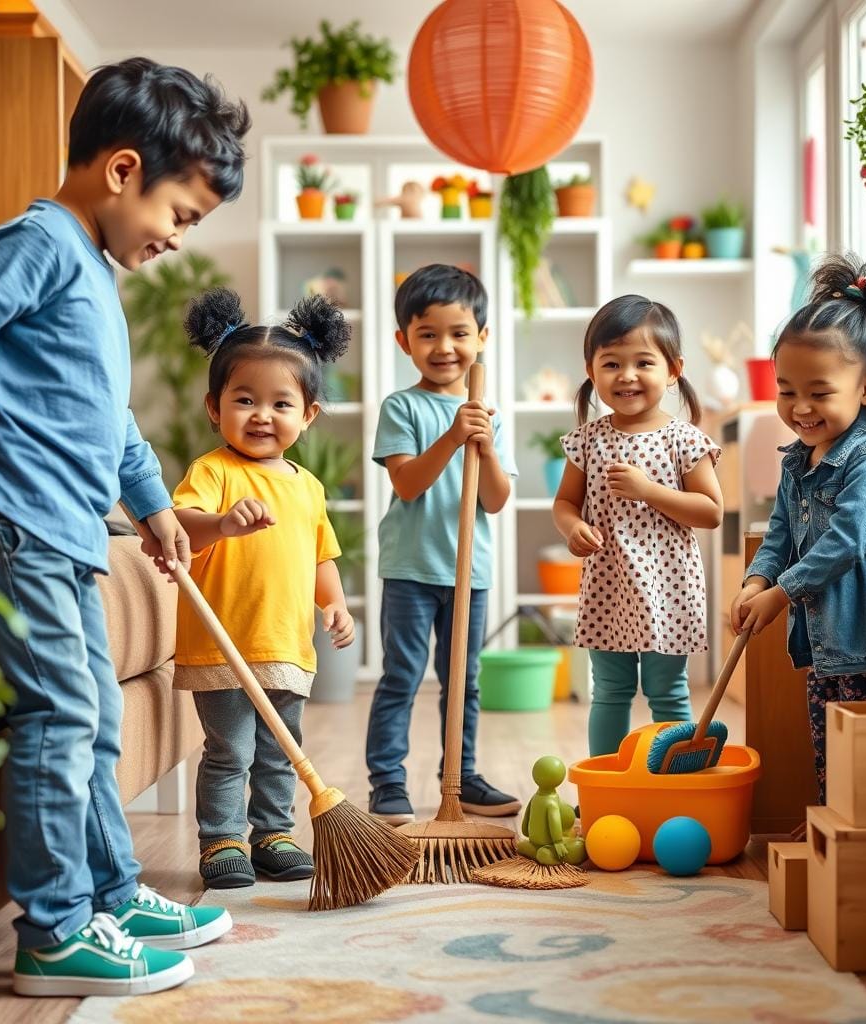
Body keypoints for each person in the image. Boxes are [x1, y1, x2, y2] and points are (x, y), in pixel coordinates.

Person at [0, 57, 250, 996]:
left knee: (92, 725)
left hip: (73, 535)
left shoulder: (94, 271)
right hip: (19, 523)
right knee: (60, 717)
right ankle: (54, 931)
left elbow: (111, 417)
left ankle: (113, 895)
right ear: (123, 170)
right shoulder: (37, 241)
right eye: (180, 215)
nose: (176, 239)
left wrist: (157, 508)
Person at [731, 254, 866, 803]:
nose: (800, 408)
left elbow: (845, 543)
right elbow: (779, 531)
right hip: (825, 644)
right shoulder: (796, 459)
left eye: (819, 392)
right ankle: (832, 823)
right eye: (786, 390)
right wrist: (757, 580)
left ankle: (856, 834)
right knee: (826, 740)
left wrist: (781, 592)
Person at [174, 289, 354, 888]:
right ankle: (221, 840)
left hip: (286, 646)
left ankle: (273, 835)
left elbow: (320, 555)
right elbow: (181, 526)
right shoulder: (213, 472)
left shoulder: (308, 487)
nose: (261, 415)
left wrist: (334, 602)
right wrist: (222, 524)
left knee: (280, 748)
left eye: (281, 403)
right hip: (221, 644)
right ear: (213, 407)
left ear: (308, 415)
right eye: (244, 399)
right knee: (231, 750)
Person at [365, 264, 520, 824]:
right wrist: (454, 435)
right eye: (427, 334)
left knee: (464, 680)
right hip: (411, 568)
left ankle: (462, 774)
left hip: (468, 573)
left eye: (459, 333)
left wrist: (484, 444)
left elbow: (496, 501)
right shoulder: (401, 407)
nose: (444, 347)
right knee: (401, 676)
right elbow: (407, 484)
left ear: (482, 338)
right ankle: (387, 781)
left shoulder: (489, 419)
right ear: (404, 340)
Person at [553, 295, 723, 757]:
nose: (626, 376)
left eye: (643, 362)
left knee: (667, 693)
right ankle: (605, 781)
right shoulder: (587, 440)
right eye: (611, 363)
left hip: (670, 587)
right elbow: (565, 502)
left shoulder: (684, 439)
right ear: (592, 370)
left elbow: (711, 510)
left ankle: (676, 782)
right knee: (609, 691)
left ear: (673, 371)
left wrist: (649, 490)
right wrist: (571, 528)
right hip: (608, 584)